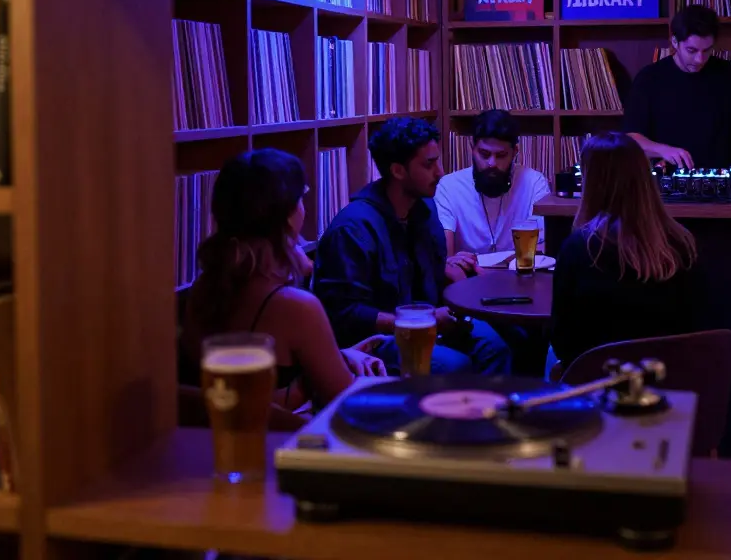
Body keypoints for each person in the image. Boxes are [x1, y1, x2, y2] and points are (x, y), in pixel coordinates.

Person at [181, 149, 388, 421]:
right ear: (288, 215)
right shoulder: (295, 306)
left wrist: (338, 357)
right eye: (302, 197)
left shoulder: (203, 287)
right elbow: (344, 401)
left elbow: (237, 393)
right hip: (284, 447)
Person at [313, 117, 513, 375]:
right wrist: (424, 320)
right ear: (398, 171)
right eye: (429, 164)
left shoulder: (424, 208)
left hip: (426, 322)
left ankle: (486, 414)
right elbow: (345, 315)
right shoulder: (353, 230)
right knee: (455, 366)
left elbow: (429, 273)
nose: (440, 171)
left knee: (496, 347)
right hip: (375, 340)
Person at [548, 132, 705, 372]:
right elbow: (692, 327)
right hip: (667, 386)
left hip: (597, 390)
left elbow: (563, 340)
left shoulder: (579, 247)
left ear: (591, 182)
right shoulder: (681, 242)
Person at [621, 4, 731, 169]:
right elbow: (632, 137)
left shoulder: (729, 74)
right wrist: (664, 151)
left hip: (722, 182)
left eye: (707, 50)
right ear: (674, 42)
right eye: (691, 50)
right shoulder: (649, 78)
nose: (700, 59)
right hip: (667, 184)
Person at [435, 109, 552, 257]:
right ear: (472, 148)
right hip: (469, 277)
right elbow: (446, 257)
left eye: (501, 155)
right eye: (484, 154)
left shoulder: (534, 183)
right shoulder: (449, 187)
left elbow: (540, 251)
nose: (492, 163)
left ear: (515, 152)